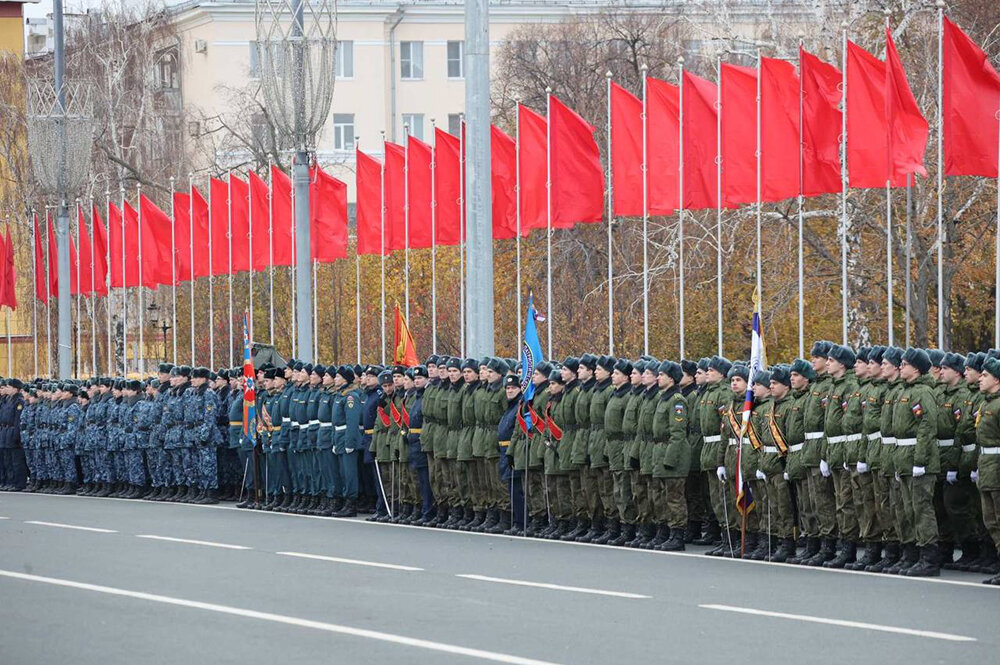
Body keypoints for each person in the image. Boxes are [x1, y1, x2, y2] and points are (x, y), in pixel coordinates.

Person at [892, 348, 941, 576]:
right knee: (908, 509)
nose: (901, 366)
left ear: (917, 368)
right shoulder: (906, 391)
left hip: (918, 460)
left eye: (905, 364)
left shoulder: (922, 392)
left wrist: (920, 460)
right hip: (904, 459)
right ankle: (912, 553)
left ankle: (929, 558)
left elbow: (927, 427)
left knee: (921, 509)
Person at [650, 360, 689, 552]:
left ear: (671, 379)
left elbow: (678, 433)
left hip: (672, 454)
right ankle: (664, 531)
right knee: (661, 496)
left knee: (674, 497)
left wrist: (670, 460)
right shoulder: (662, 398)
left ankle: (677, 535)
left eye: (661, 375)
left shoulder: (677, 401)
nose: (658, 377)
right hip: (660, 451)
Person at [974, 356, 1000, 584]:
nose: (980, 378)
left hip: (997, 469)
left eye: (985, 375)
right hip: (986, 467)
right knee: (990, 520)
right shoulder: (986, 403)